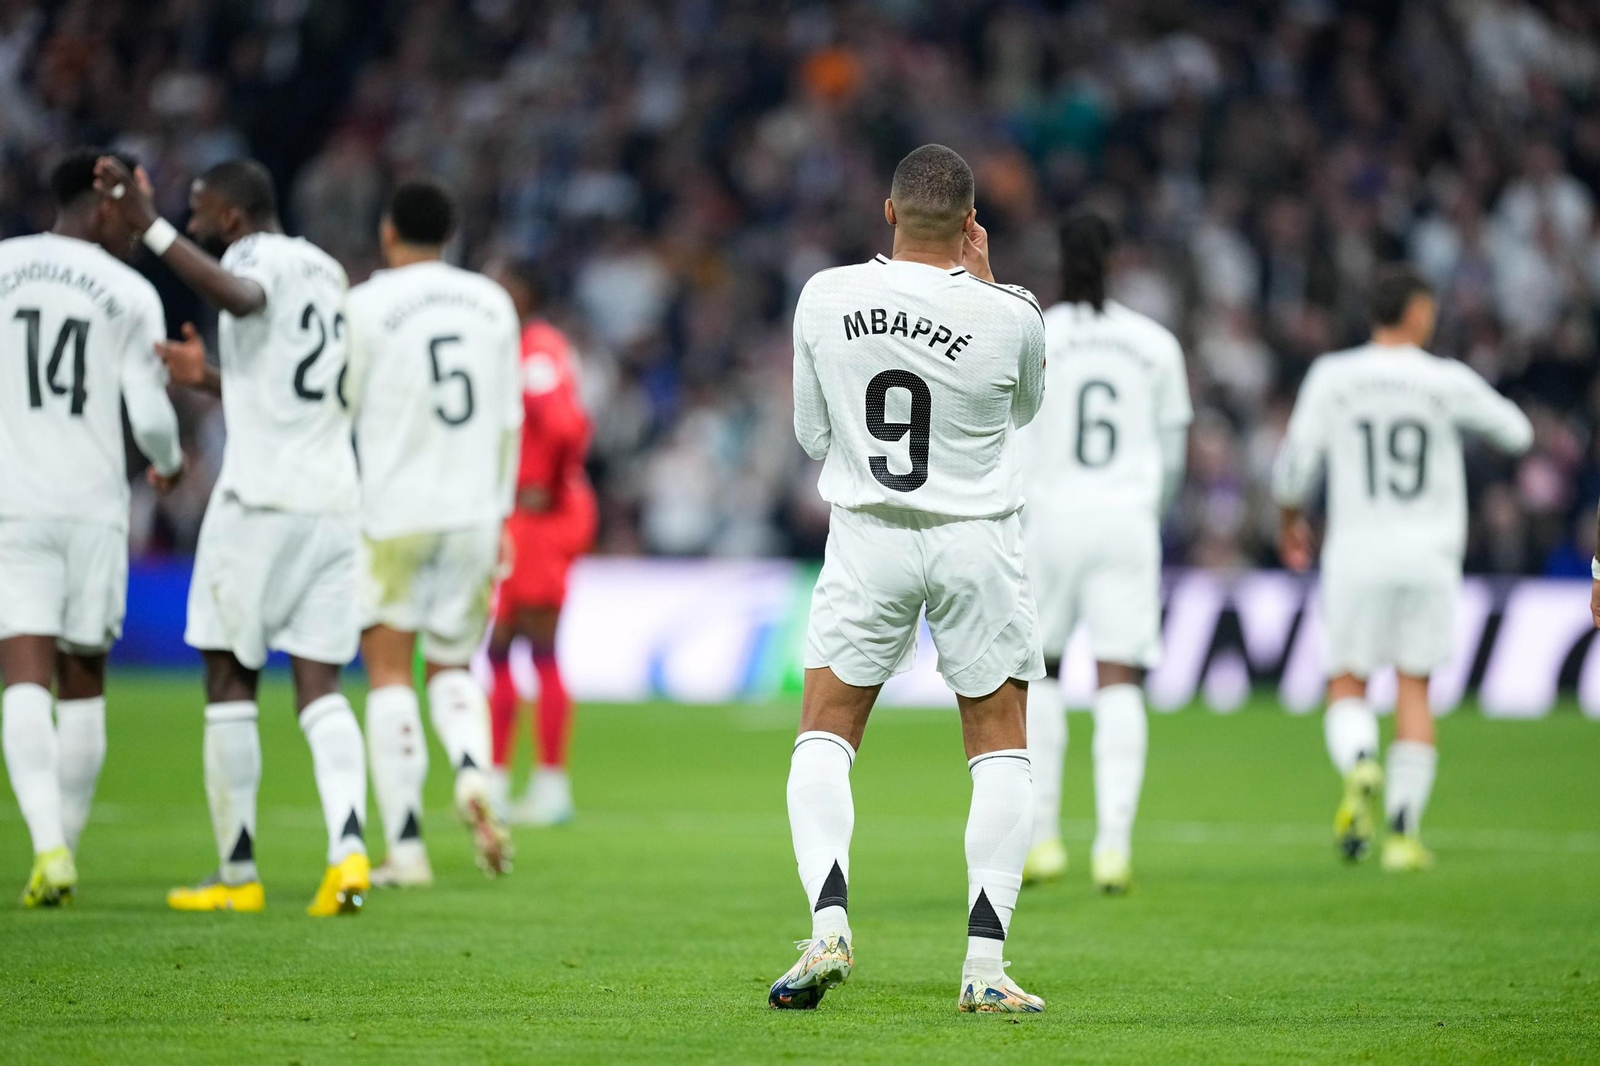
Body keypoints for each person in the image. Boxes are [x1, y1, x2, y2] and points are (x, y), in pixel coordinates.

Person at [770, 144, 1048, 1013]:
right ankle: (983, 970)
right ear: (972, 225)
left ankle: (827, 927)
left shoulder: (826, 295)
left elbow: (814, 437)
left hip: (869, 537)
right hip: (975, 539)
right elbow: (1025, 411)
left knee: (825, 733)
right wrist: (991, 283)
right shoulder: (1014, 315)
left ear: (888, 215)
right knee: (999, 742)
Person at [93, 155, 371, 915]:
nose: (193, 223)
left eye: (200, 210)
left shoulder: (256, 258)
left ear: (235, 217)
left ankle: (237, 874)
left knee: (228, 676)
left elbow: (243, 296)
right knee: (319, 684)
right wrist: (209, 376)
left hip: (261, 501)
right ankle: (348, 852)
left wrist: (145, 224)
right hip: (333, 503)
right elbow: (295, 378)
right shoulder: (327, 270)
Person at [1273, 266, 1532, 872]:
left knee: (1348, 680)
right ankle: (1403, 836)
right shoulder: (1445, 380)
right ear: (1417, 313)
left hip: (1356, 554)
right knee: (1415, 685)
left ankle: (1362, 760)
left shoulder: (1334, 376)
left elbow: (1294, 465)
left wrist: (1290, 522)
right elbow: (1518, 434)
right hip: (1430, 556)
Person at [0, 149, 184, 907]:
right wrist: (168, 464)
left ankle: (46, 846)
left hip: (13, 504)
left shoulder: (2, 266)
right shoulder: (129, 290)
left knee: (22, 676)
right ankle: (64, 847)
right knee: (83, 681)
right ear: (103, 198)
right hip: (93, 509)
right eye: (136, 203)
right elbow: (149, 416)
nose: (141, 223)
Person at [343, 178, 521, 886]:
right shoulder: (493, 303)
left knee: (389, 673)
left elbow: (338, 405)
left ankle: (408, 848)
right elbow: (510, 419)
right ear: (450, 235)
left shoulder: (363, 305)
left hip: (394, 512)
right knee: (453, 666)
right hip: (475, 511)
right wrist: (503, 513)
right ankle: (475, 769)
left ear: (389, 232)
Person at [1018, 213, 1191, 894]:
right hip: (1125, 520)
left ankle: (1045, 838)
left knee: (1044, 673)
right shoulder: (1154, 344)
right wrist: (1147, 507)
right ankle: (1113, 846)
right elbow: (1173, 456)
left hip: (1052, 520)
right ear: (1117, 262)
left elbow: (1015, 434)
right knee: (1119, 679)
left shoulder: (1039, 335)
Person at [481, 258, 596, 826]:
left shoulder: (536, 348)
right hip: (521, 517)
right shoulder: (518, 347)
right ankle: (498, 779)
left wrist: (543, 487)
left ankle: (549, 786)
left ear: (522, 291)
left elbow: (568, 425)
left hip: (540, 520)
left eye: (500, 281)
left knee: (534, 647)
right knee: (502, 647)